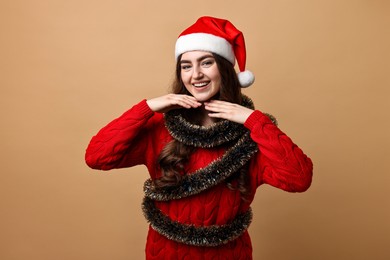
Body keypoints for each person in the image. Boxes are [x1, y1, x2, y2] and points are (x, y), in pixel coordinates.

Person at [85, 16, 313, 260]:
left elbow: (299, 179)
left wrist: (254, 120)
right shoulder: (160, 127)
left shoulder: (253, 134)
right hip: (165, 253)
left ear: (225, 69)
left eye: (206, 63)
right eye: (186, 66)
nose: (196, 75)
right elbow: (96, 157)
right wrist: (147, 107)